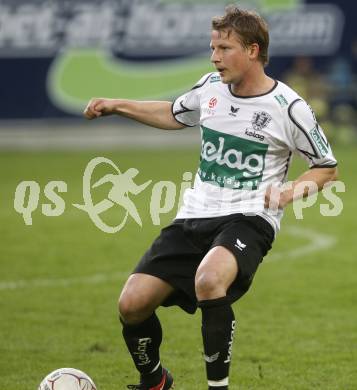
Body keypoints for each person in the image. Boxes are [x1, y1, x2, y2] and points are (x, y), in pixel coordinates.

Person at [84, 6, 338, 390]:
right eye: (212, 47)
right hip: (194, 216)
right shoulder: (210, 89)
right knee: (132, 305)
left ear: (252, 50)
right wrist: (116, 105)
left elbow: (326, 167)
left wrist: (288, 192)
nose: (214, 57)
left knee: (209, 280)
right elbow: (173, 114)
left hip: (250, 218)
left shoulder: (289, 108)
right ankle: (154, 380)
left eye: (224, 48)